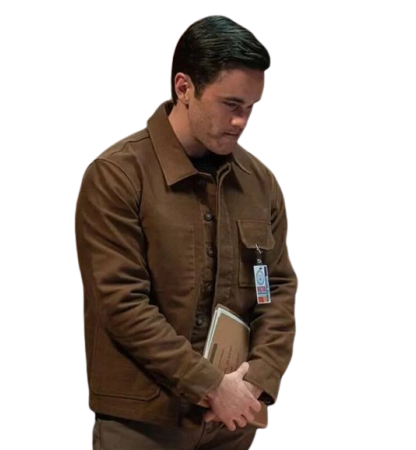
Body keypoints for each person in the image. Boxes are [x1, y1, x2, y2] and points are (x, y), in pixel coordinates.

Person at [74, 14, 299, 450]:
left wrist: (257, 380)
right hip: (142, 425)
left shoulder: (261, 182)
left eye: (252, 108)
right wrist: (211, 385)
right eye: (231, 104)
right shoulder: (117, 175)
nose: (242, 121)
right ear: (184, 87)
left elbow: (277, 289)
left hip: (233, 423)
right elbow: (121, 303)